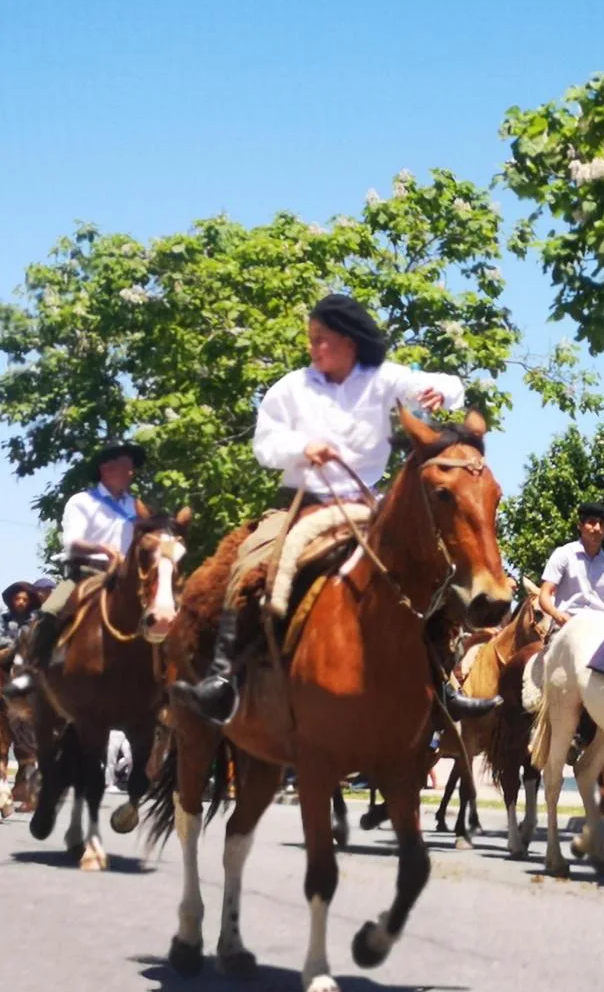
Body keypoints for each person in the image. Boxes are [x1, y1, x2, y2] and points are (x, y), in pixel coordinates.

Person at [172, 293, 465, 724]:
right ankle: (222, 678)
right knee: (250, 564)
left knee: (434, 570)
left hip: (371, 506)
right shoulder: (291, 387)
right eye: (312, 340)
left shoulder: (382, 378)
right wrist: (302, 446)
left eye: (320, 339)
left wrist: (437, 391)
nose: (313, 348)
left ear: (349, 340)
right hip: (304, 505)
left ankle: (442, 684)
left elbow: (449, 386)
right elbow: (265, 444)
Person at [4, 442, 146, 698]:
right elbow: (71, 542)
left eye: (132, 467)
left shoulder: (135, 507)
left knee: (164, 611)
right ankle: (31, 673)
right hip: (86, 575)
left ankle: (167, 679)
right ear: (106, 467)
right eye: (126, 466)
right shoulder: (82, 502)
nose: (131, 472)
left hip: (126, 579)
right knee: (49, 612)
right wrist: (104, 549)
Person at [538, 502, 604, 626]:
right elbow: (544, 594)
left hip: (602, 627)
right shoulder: (564, 554)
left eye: (601, 524)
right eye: (592, 522)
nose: (597, 528)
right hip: (567, 624)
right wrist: (556, 614)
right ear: (580, 526)